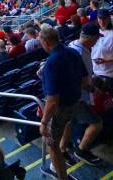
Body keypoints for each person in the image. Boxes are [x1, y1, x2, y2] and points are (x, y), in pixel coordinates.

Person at [39, 25, 86, 180]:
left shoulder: (51, 63)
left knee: (52, 144)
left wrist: (44, 123)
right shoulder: (72, 52)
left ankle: (61, 176)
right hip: (75, 101)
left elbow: (52, 101)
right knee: (64, 129)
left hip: (62, 108)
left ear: (46, 42)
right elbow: (84, 80)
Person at [63, 22, 104, 165]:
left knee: (69, 124)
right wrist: (93, 89)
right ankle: (80, 150)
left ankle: (62, 151)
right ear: (90, 37)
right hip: (77, 97)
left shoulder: (76, 45)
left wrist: (92, 78)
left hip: (73, 96)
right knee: (97, 124)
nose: (97, 40)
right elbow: (75, 79)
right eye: (96, 37)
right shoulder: (78, 52)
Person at [93, 8, 113, 81]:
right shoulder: (94, 31)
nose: (102, 21)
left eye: (104, 18)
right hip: (94, 71)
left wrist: (105, 61)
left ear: (109, 19)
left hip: (107, 74)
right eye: (100, 18)